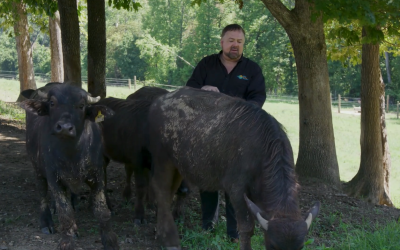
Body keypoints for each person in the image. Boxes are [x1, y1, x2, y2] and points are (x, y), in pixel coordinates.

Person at [185, 24, 266, 242]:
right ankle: (207, 225)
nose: (235, 45)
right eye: (231, 40)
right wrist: (202, 91)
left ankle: (234, 232)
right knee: (207, 179)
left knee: (236, 184)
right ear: (221, 42)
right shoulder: (206, 65)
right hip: (207, 134)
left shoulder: (252, 70)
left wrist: (229, 103)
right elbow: (188, 90)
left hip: (238, 138)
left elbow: (257, 101)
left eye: (239, 42)